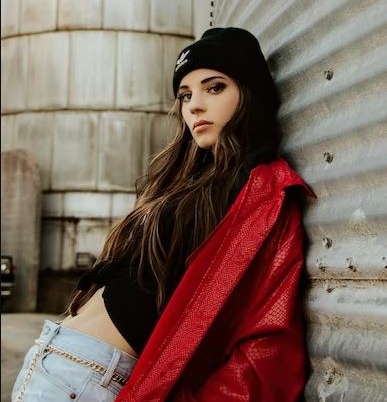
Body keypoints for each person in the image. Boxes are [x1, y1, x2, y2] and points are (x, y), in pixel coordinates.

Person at [11, 27, 314, 402]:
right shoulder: (188, 182)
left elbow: (267, 346)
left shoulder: (262, 193)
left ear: (249, 92)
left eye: (214, 87)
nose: (194, 106)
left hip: (91, 379)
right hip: (54, 360)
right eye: (185, 95)